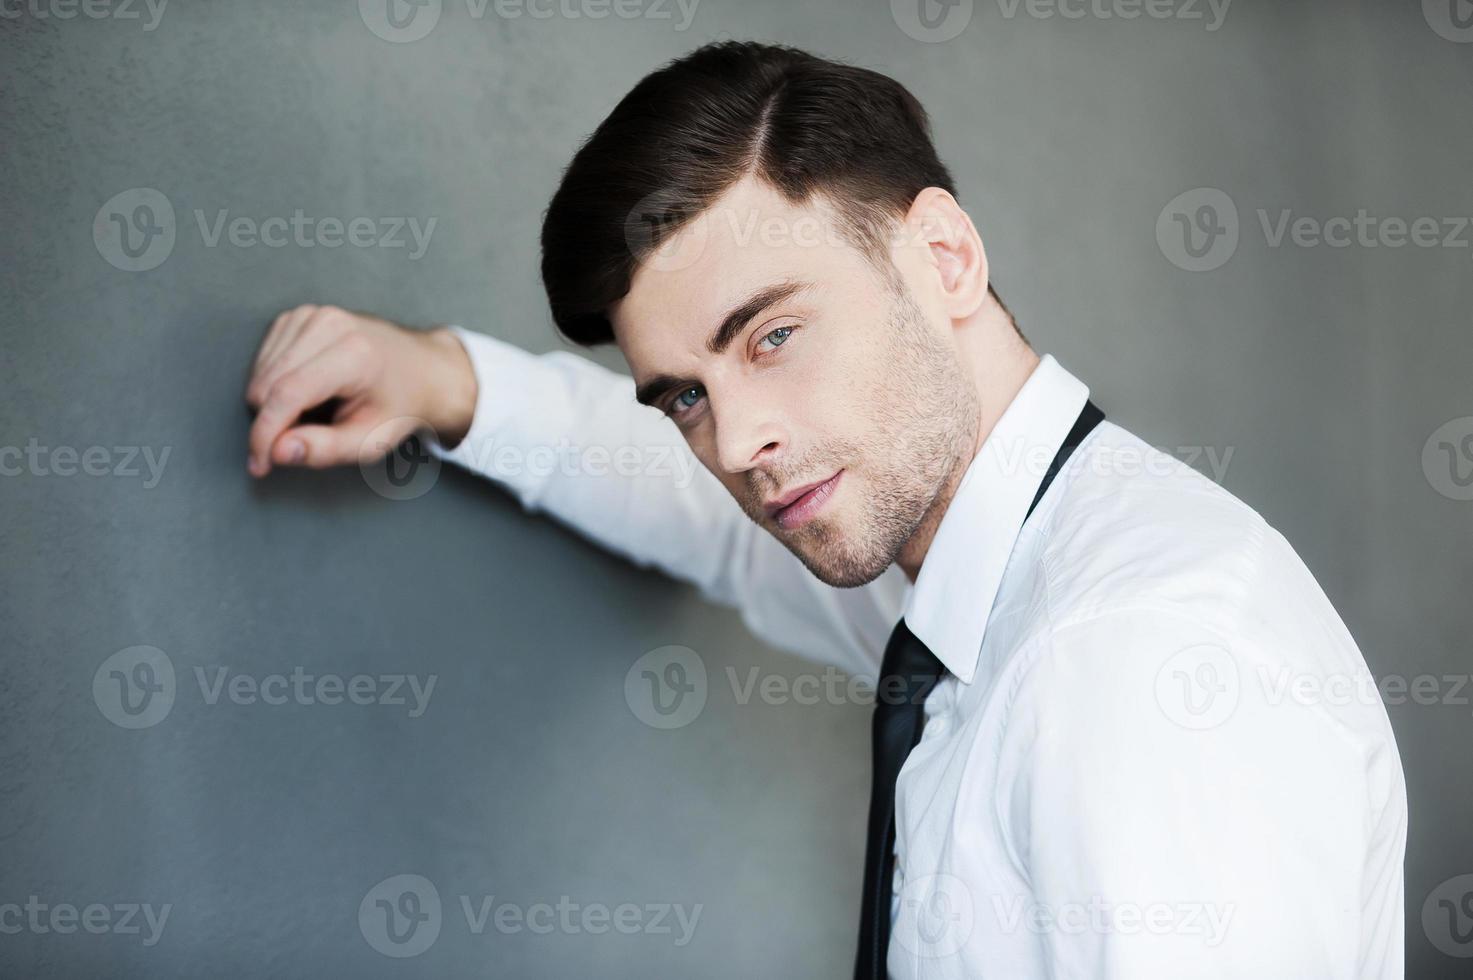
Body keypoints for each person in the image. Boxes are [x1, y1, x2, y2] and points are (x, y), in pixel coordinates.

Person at [243, 41, 1406, 980]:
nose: (739, 444)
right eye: (687, 395)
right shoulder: (960, 578)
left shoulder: (1128, 660)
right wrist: (449, 380)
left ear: (943, 257)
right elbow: (707, 524)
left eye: (775, 336)